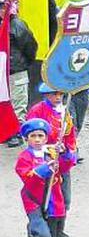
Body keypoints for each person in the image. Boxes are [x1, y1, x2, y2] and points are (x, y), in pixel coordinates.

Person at [14, 119, 76, 237]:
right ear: (27, 139)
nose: (37, 139)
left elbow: (66, 166)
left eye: (40, 136)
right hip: (34, 201)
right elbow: (27, 177)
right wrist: (44, 169)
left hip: (53, 201)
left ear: (46, 137)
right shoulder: (24, 157)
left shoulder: (52, 151)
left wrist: (64, 153)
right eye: (33, 136)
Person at [26, 84, 77, 237]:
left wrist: (69, 152)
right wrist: (47, 150)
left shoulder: (64, 112)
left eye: (60, 94)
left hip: (62, 162)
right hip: (44, 162)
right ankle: (40, 230)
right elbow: (32, 136)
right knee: (43, 199)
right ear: (46, 95)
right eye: (54, 94)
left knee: (64, 198)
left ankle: (59, 231)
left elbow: (70, 135)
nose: (58, 97)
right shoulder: (37, 111)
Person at [5, 13, 38, 145]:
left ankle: (16, 133)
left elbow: (30, 46)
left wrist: (23, 63)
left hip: (16, 69)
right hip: (7, 69)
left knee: (18, 102)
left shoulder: (16, 25)